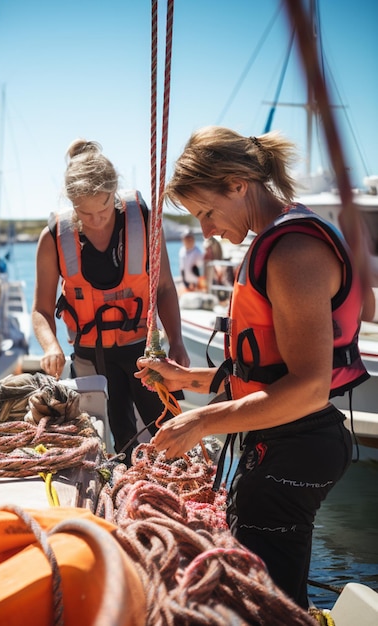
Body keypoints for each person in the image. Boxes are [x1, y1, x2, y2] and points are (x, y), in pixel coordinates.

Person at [135, 126, 370, 609]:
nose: (205, 231)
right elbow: (265, 371)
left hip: (298, 446)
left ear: (238, 184)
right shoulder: (277, 241)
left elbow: (308, 387)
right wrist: (189, 381)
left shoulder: (292, 251)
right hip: (285, 442)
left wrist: (200, 420)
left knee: (268, 606)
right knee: (264, 590)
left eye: (205, 212)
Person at [32, 139, 189, 464]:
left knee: (166, 438)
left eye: (104, 209)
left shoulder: (144, 222)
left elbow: (164, 289)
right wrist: (50, 346)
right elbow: (41, 311)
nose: (96, 220)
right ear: (71, 204)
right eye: (84, 212)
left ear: (115, 194)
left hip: (145, 354)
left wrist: (177, 341)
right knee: (107, 445)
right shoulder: (53, 238)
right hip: (91, 357)